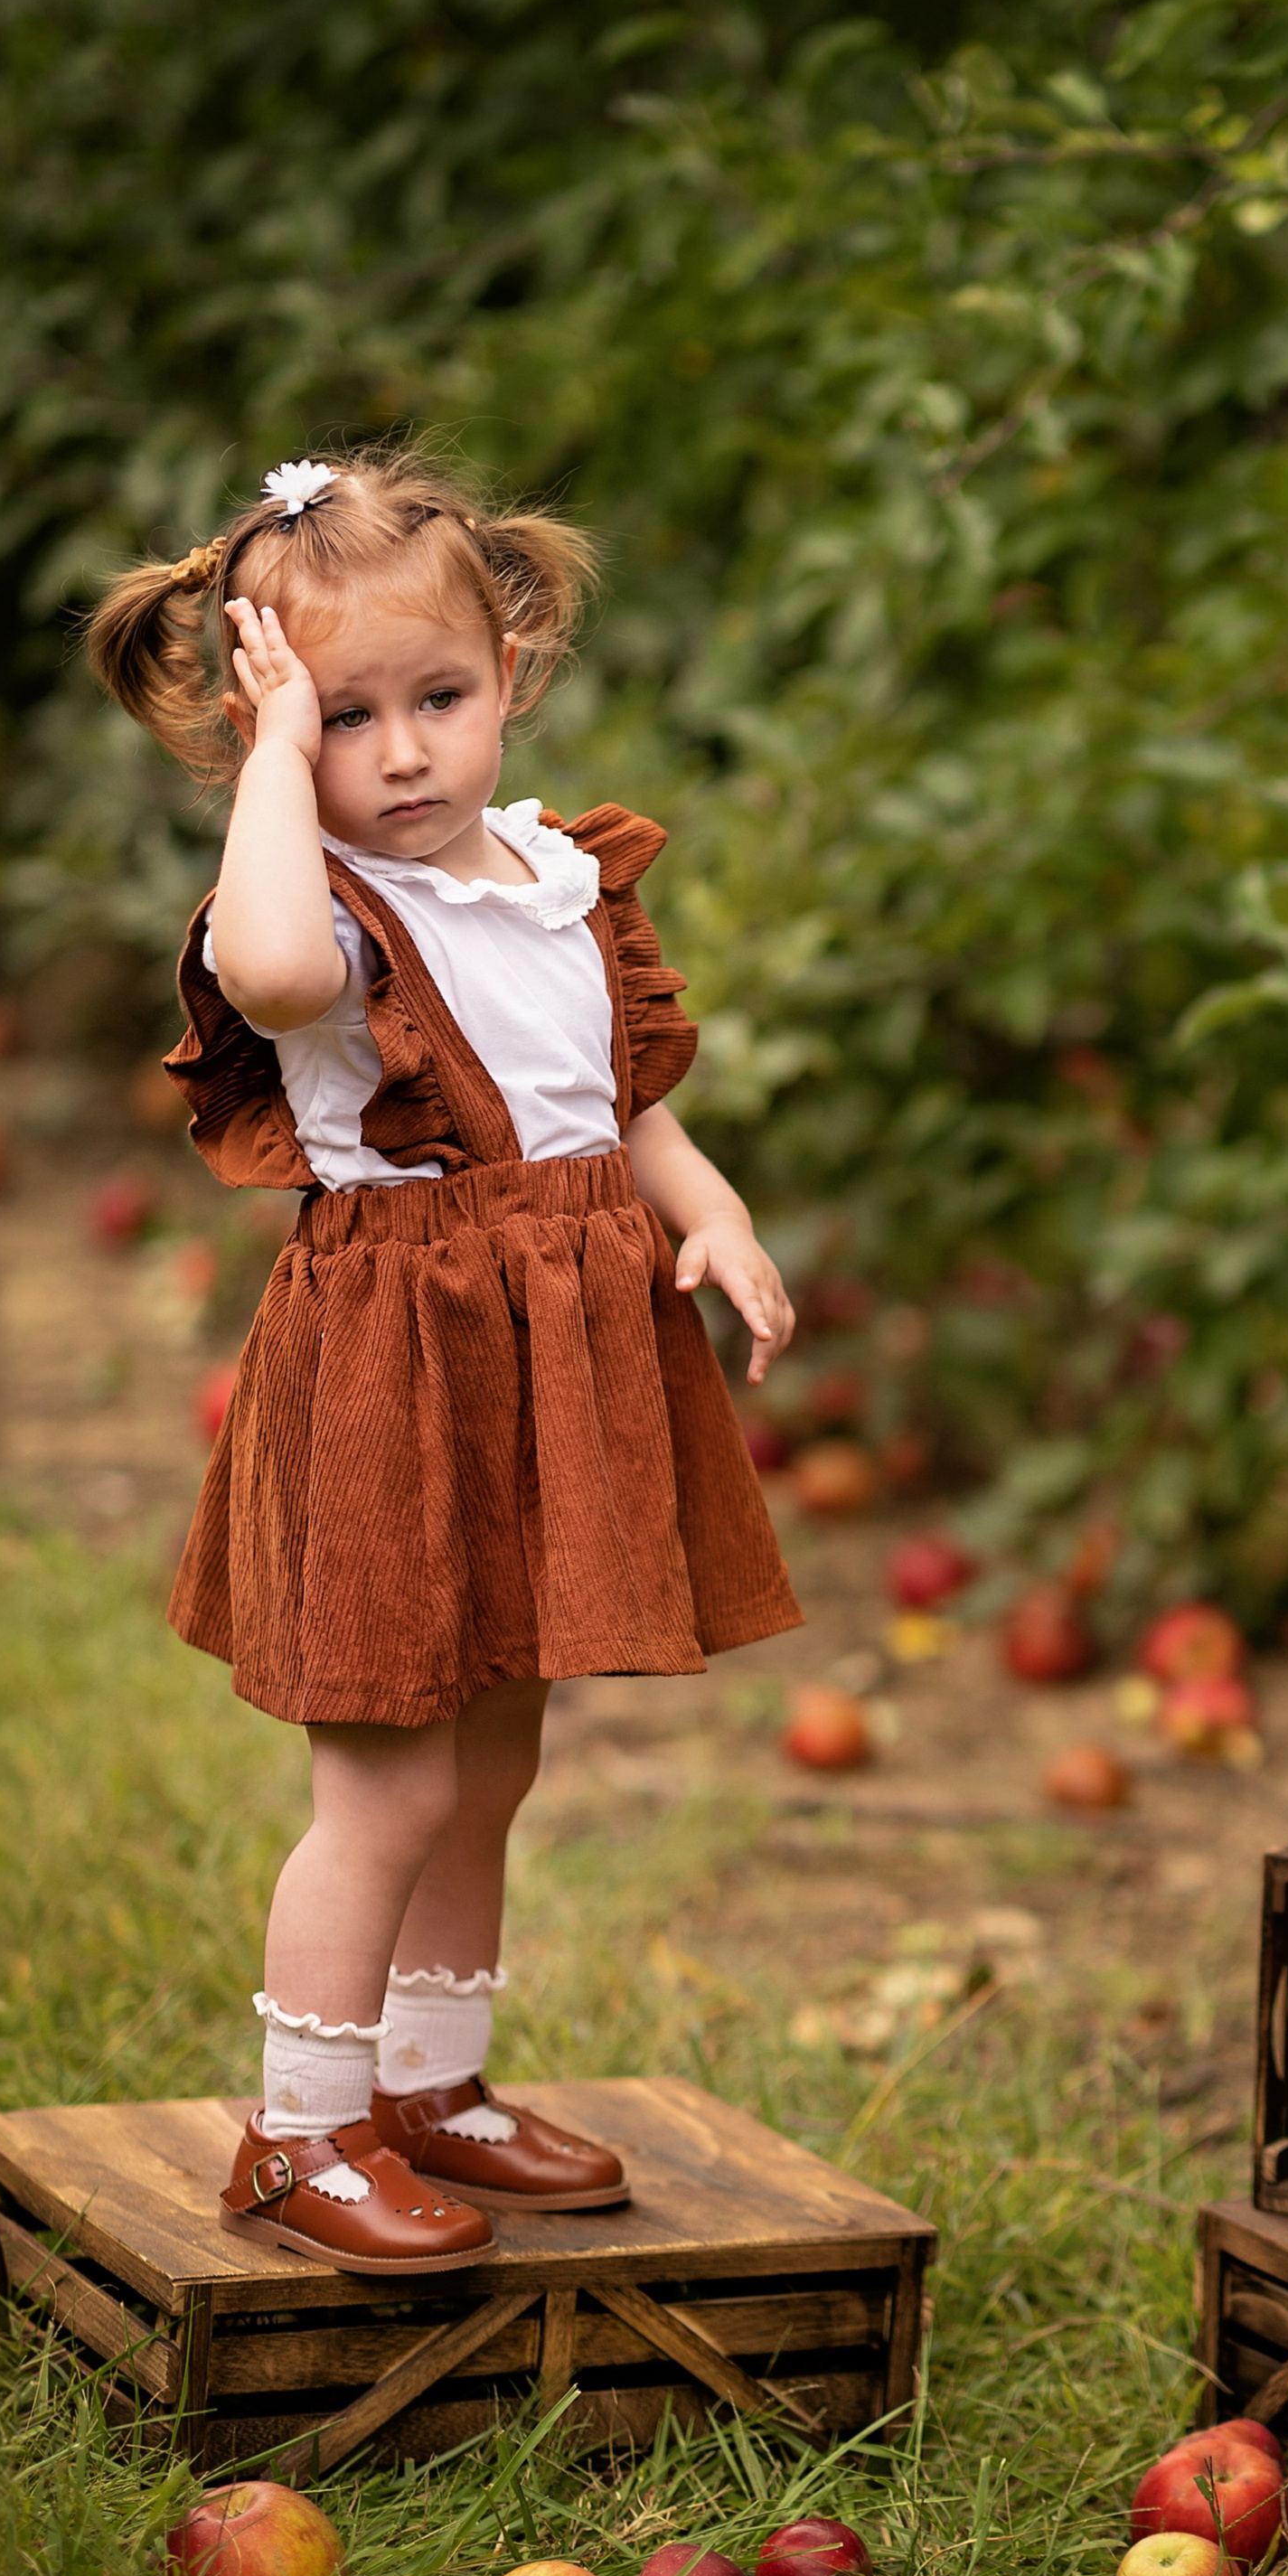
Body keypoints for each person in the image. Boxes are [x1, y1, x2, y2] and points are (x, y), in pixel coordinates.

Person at [86, 447, 801, 2270]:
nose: (398, 753)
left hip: (553, 1360)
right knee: (387, 1779)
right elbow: (260, 977)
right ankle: (299, 2131)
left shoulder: (561, 878)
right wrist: (269, 771)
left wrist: (703, 1213)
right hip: (398, 1371)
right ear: (264, 732)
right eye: (342, 718)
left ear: (517, 670)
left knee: (494, 1752)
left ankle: (430, 2083)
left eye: (440, 699)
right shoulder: (321, 905)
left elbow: (616, 1108)